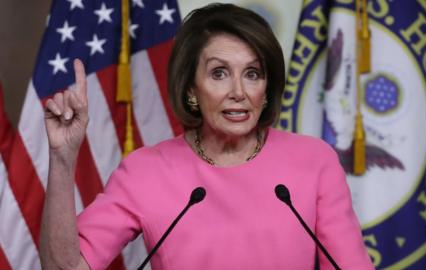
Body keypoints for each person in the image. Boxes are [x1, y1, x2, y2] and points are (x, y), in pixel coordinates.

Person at [40, 3, 374, 270]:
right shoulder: (146, 171)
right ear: (191, 90)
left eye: (253, 74)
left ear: (267, 89)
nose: (239, 92)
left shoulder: (314, 161)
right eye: (219, 73)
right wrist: (62, 157)